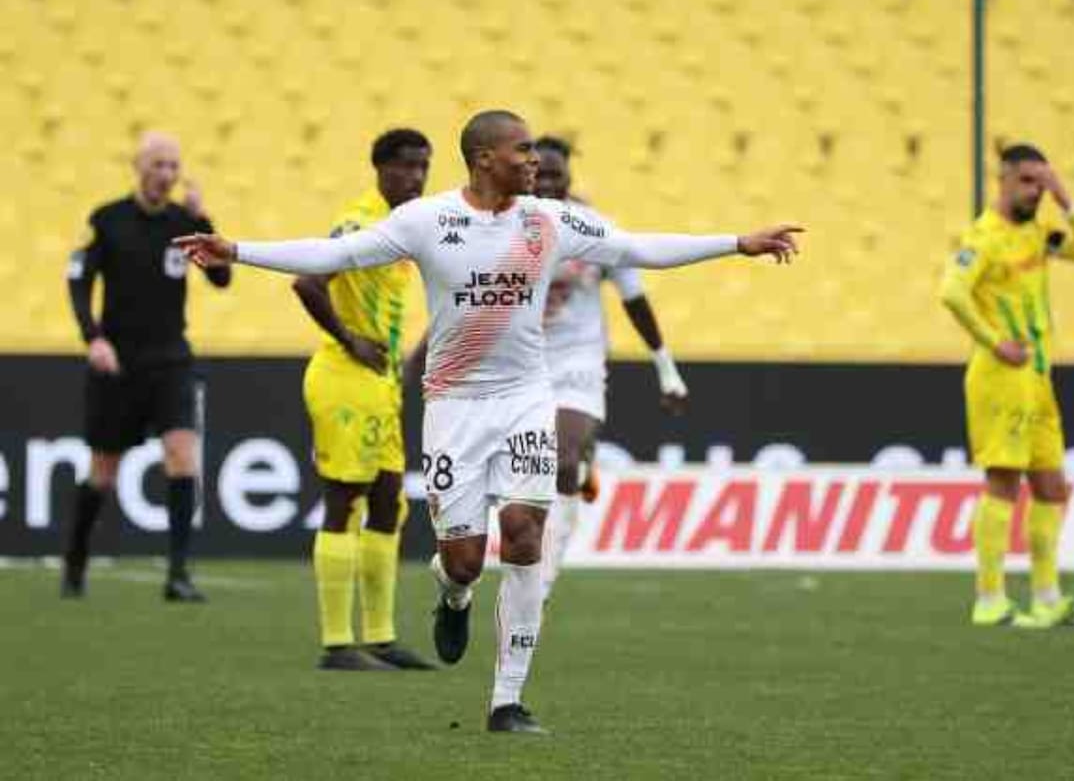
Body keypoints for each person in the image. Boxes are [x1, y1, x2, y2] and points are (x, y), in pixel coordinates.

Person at [174, 109, 800, 734]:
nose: (535, 162)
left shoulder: (548, 220)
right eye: (522, 150)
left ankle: (507, 701)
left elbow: (637, 246)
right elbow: (337, 252)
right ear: (484, 160)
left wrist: (736, 243)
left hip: (528, 398)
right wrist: (238, 250)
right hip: (453, 407)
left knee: (526, 536)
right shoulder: (427, 221)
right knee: (466, 559)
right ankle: (453, 595)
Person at [939, 143, 1074, 628]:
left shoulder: (1038, 234)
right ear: (1004, 180)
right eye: (1029, 181)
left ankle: (1047, 599)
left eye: (1042, 182)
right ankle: (989, 599)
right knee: (1004, 483)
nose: (1037, 191)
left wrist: (1067, 200)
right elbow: (950, 291)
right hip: (999, 377)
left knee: (1052, 486)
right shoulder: (984, 237)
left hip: (1037, 379)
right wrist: (993, 342)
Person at [64, 132, 231, 602]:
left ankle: (178, 574)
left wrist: (204, 220)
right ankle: (75, 559)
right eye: (158, 165)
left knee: (182, 455)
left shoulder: (184, 223)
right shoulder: (107, 219)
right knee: (103, 471)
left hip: (171, 359)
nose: (166, 174)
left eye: (173, 166)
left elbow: (221, 278)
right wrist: (93, 337)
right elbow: (79, 281)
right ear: (138, 166)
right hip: (119, 362)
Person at [291, 128, 435, 671]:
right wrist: (349, 338)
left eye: (423, 167)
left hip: (381, 384)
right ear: (379, 168)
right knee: (343, 502)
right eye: (405, 166)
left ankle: (379, 637)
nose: (416, 178)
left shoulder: (404, 228)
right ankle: (335, 643)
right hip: (344, 378)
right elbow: (307, 281)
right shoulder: (360, 223)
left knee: (389, 503)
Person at [533, 135, 687, 601]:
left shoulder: (596, 230)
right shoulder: (500, 226)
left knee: (559, 462)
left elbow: (635, 300)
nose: (546, 183)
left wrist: (666, 368)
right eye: (539, 173)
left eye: (555, 175)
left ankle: (541, 580)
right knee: (526, 472)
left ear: (569, 179)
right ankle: (582, 457)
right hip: (519, 362)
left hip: (577, 360)